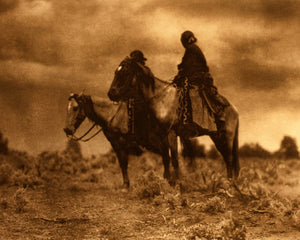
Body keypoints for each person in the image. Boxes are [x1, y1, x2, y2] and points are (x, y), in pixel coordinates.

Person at [173, 30, 229, 134]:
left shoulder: (192, 49)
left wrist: (182, 73)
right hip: (194, 76)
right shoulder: (191, 49)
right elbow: (185, 65)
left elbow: (189, 66)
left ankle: (218, 116)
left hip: (200, 77)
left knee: (195, 93)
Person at [126, 50, 155, 145]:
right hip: (134, 99)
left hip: (146, 100)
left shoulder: (145, 70)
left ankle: (144, 138)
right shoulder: (132, 74)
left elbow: (149, 76)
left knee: (142, 115)